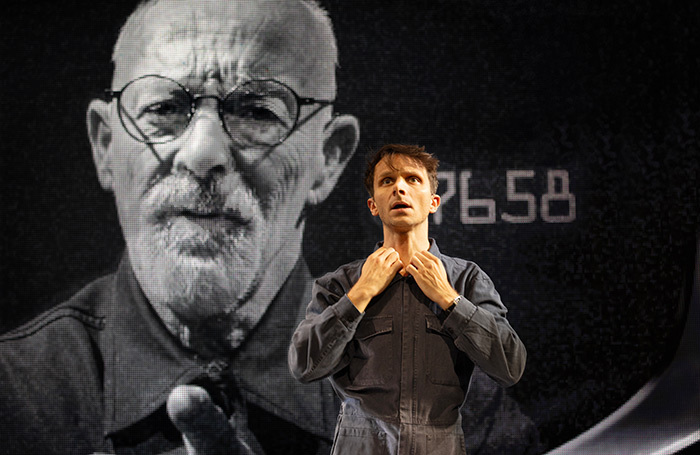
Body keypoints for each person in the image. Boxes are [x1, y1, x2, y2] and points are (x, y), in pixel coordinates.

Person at [0, 0, 359, 454]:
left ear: (328, 160)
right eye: (164, 107)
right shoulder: (12, 398)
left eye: (258, 112)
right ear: (105, 144)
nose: (202, 153)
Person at [289, 144, 528, 454]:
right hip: (361, 444)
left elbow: (510, 366)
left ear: (433, 202)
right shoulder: (340, 284)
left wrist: (448, 298)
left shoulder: (466, 280)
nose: (399, 187)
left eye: (412, 179)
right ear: (373, 205)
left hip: (438, 443)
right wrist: (360, 293)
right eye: (387, 181)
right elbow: (305, 366)